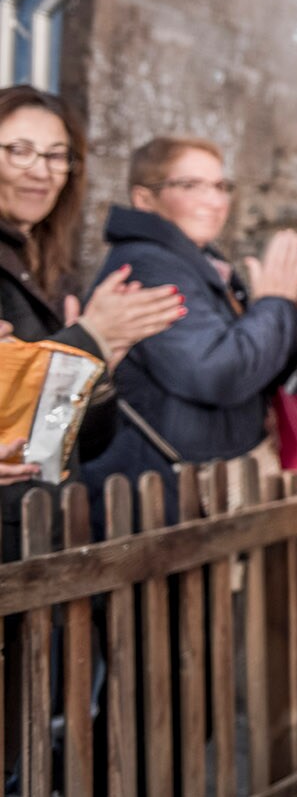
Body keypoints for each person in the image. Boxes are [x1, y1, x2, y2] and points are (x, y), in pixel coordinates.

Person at [0, 87, 184, 783]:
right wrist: (88, 339)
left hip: (31, 538)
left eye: (56, 155)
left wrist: (100, 367)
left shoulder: (44, 269)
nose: (38, 169)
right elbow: (10, 422)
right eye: (17, 149)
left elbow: (72, 441)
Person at [80, 136, 297, 500]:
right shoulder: (149, 265)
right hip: (165, 487)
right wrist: (273, 306)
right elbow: (216, 373)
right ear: (144, 199)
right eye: (190, 185)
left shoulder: (202, 262)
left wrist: (288, 313)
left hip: (210, 473)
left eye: (220, 186)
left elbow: (258, 371)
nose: (214, 201)